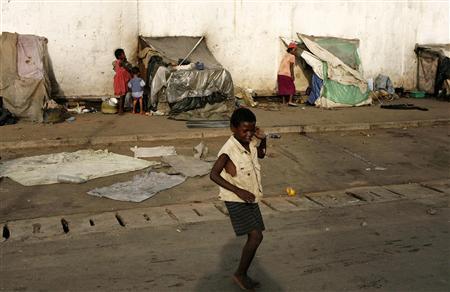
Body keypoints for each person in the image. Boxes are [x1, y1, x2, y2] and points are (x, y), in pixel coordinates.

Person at [210, 108, 267, 290]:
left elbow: (261, 154)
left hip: (251, 196)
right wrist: (238, 191)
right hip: (235, 197)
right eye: (245, 130)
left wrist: (262, 138)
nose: (249, 134)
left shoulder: (249, 142)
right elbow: (214, 174)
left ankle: (242, 273)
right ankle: (240, 274)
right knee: (256, 236)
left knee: (257, 235)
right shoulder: (228, 150)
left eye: (252, 130)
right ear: (233, 128)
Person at [277, 42, 298, 107]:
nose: (295, 52)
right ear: (292, 49)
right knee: (292, 88)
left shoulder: (285, 55)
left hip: (280, 73)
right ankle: (290, 101)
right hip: (286, 74)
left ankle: (283, 102)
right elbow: (291, 67)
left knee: (283, 88)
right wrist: (292, 75)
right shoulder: (292, 56)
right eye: (295, 50)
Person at [113, 48, 132, 114]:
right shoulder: (120, 62)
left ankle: (121, 108)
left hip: (123, 79)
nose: (125, 54)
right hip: (121, 80)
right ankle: (120, 110)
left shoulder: (117, 62)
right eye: (123, 54)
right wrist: (125, 62)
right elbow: (128, 68)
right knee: (122, 95)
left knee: (123, 95)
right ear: (119, 56)